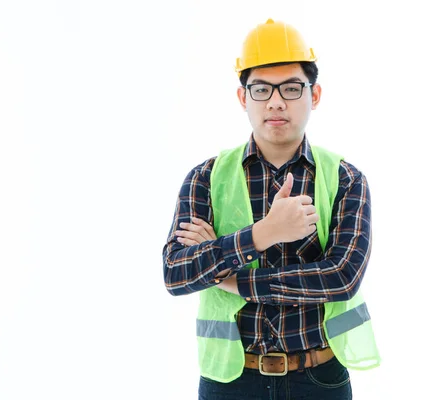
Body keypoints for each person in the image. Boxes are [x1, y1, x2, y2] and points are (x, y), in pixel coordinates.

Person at [162, 18, 380, 400]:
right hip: (230, 380)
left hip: (320, 378)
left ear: (314, 96)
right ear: (243, 98)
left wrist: (231, 278)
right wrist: (265, 234)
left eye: (291, 88)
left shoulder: (345, 178)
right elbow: (176, 273)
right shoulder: (206, 179)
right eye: (261, 89)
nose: (276, 101)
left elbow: (342, 278)